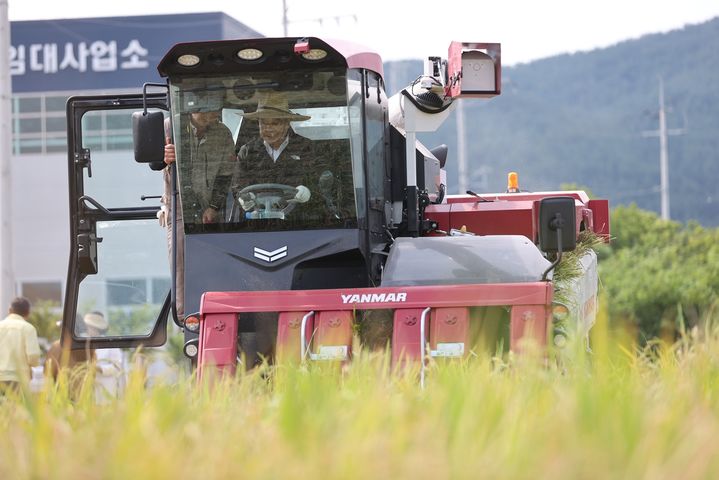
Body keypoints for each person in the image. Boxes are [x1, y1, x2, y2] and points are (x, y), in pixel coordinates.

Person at [234, 92, 332, 219]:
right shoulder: (247, 152)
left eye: (275, 123)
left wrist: (309, 191)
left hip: (302, 221)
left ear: (287, 124)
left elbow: (324, 180)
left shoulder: (307, 148)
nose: (268, 128)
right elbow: (237, 186)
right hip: (257, 221)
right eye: (263, 123)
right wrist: (243, 198)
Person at [0, 297, 41, 395]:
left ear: (10, 310)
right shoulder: (28, 329)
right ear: (27, 313)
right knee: (15, 409)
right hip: (18, 380)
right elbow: (33, 356)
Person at [82, 311, 125, 402]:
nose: (86, 330)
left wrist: (98, 369)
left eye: (88, 327)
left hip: (105, 393)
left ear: (95, 328)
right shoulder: (84, 343)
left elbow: (117, 367)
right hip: (89, 393)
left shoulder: (110, 344)